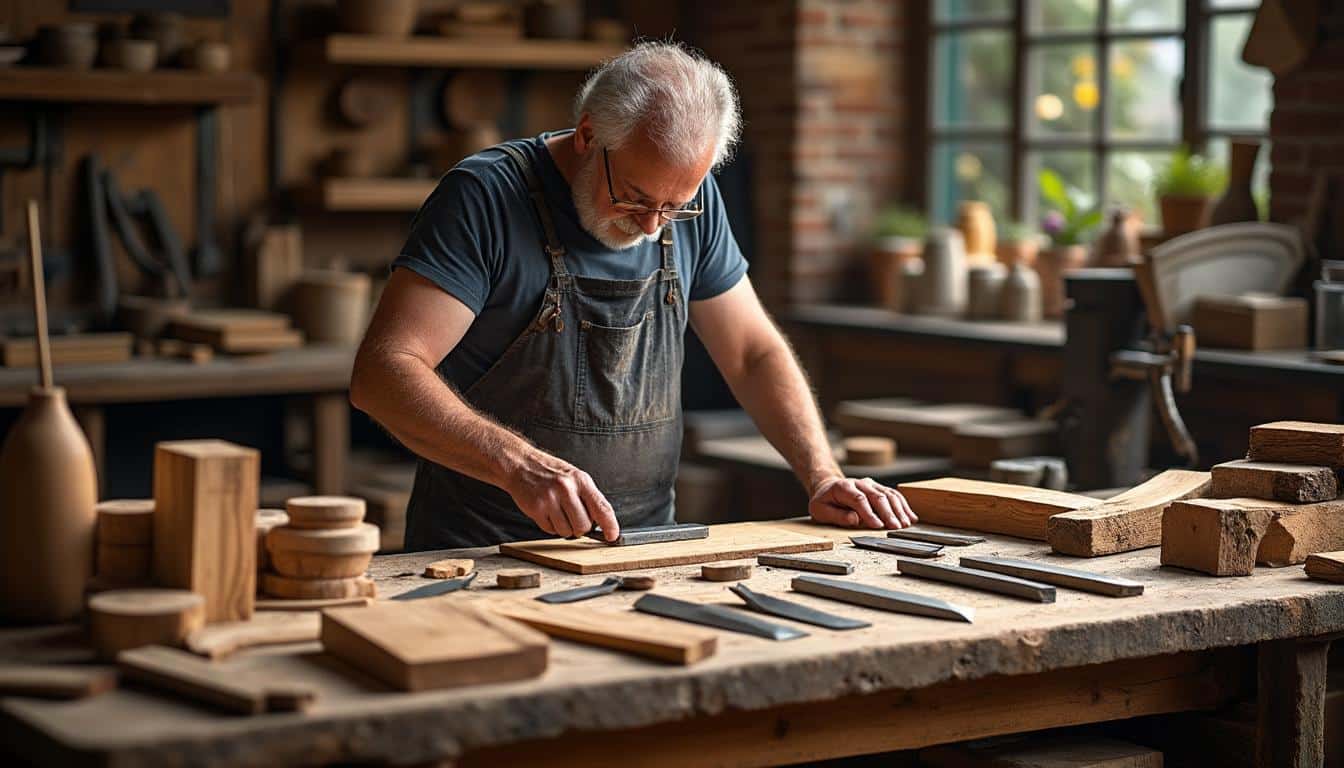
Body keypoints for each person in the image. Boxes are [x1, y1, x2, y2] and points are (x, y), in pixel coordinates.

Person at [350, 41, 916, 550]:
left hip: (643, 547)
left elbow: (751, 353)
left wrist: (822, 475)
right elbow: (384, 372)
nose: (652, 226)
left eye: (675, 206)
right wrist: (517, 465)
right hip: (480, 551)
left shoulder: (687, 201)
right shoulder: (485, 199)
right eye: (635, 198)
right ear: (589, 134)